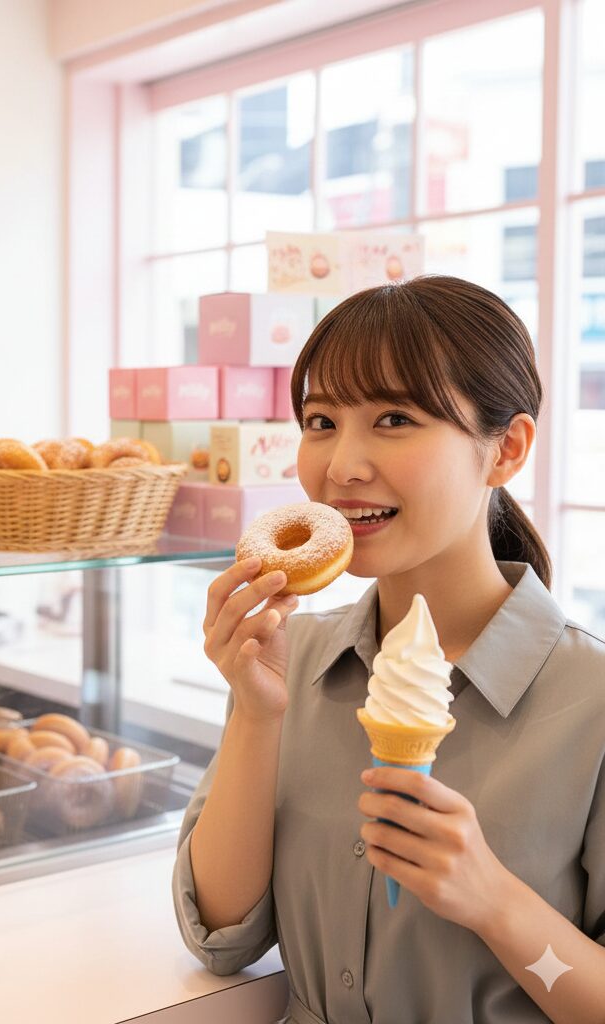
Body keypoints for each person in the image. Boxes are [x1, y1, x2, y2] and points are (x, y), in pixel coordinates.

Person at [174, 276, 605, 1023]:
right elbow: (219, 934)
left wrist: (494, 899)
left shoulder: (591, 703)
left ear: (507, 448)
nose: (341, 465)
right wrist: (254, 713)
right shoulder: (293, 656)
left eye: (396, 418)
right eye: (320, 420)